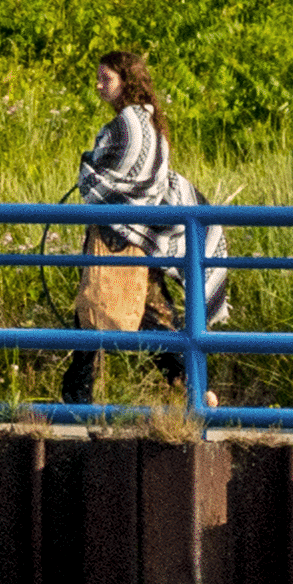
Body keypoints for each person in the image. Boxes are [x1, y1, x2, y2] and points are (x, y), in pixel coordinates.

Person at [68, 53, 212, 404]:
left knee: (114, 312)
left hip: (121, 236)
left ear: (125, 81)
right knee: (132, 312)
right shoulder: (145, 121)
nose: (99, 85)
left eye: (106, 78)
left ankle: (190, 382)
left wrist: (89, 167)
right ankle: (192, 383)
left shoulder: (130, 123)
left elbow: (125, 173)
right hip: (134, 232)